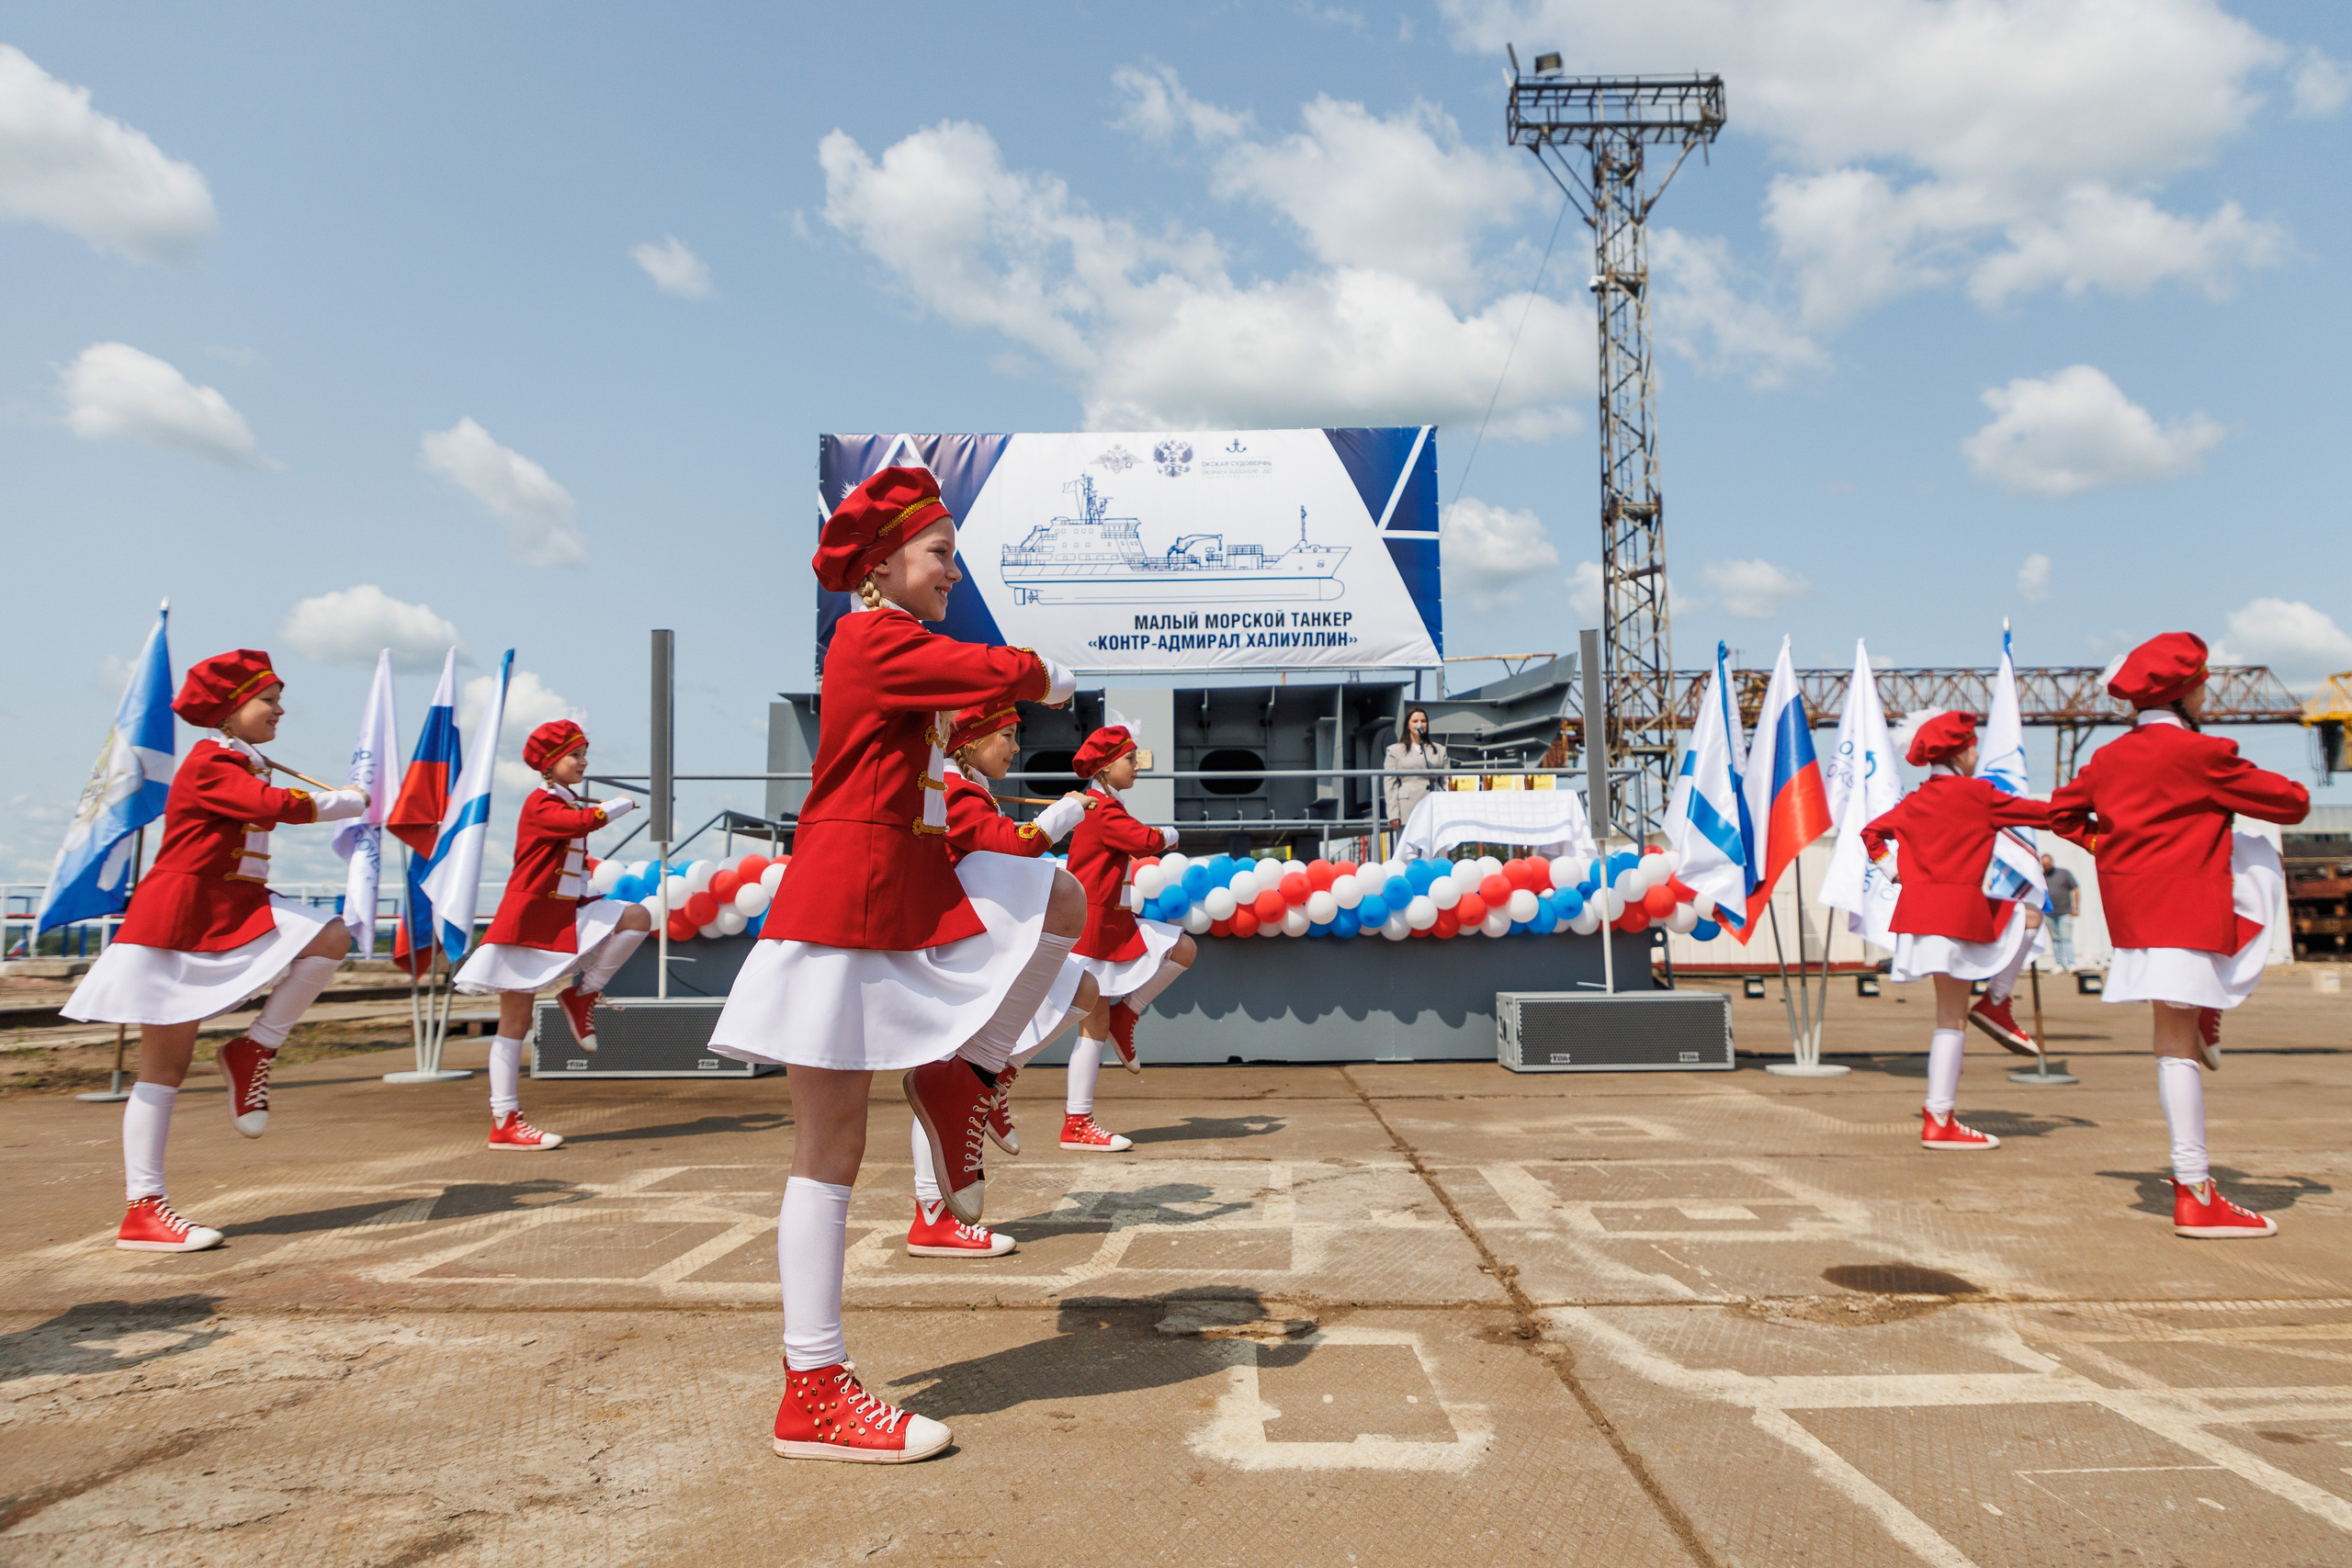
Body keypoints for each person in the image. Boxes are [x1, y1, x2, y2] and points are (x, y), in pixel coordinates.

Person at [706, 465, 1076, 1461]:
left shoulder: (889, 645)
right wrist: (1040, 675)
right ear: (880, 564)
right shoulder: (873, 638)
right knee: (826, 1159)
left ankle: (967, 1076)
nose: (953, 571)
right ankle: (814, 1388)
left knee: (1060, 898)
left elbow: (958, 727)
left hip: (894, 902)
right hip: (846, 910)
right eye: (940, 554)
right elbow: (987, 676)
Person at [61, 649, 369, 1251]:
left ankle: (254, 1048)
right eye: (269, 700)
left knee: (331, 935)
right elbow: (270, 808)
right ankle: (144, 1209)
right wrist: (345, 800)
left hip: (233, 907)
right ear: (231, 710)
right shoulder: (211, 761)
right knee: (164, 1070)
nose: (282, 710)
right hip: (180, 918)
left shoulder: (243, 760)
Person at [2048, 632, 2308, 1239]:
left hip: (2135, 914)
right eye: (2203, 685)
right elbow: (2292, 803)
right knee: (2257, 855)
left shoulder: (2108, 759)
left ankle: (2196, 1178)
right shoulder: (2204, 753)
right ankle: (2195, 1191)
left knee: (2170, 1041)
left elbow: (2062, 814)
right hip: (2191, 912)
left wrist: (2107, 845)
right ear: (2187, 691)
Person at [905, 700, 1100, 1258]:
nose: (1016, 748)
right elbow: (1017, 843)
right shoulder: (949, 787)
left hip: (982, 940)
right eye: (1008, 735)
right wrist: (1063, 811)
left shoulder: (965, 785)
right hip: (958, 948)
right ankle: (934, 1218)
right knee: (945, 1072)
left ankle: (989, 1082)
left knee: (1082, 993)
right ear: (968, 742)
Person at [451, 719, 649, 1151]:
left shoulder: (563, 801)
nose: (584, 762)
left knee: (636, 916)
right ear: (549, 763)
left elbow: (569, 848)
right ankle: (504, 1120)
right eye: (575, 755)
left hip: (562, 913)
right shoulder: (541, 803)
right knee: (515, 1021)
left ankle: (583, 995)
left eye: (583, 753)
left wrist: (597, 869)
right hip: (529, 920)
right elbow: (580, 824)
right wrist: (616, 805)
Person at [1860, 711, 2052, 1151]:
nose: (1977, 753)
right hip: (1959, 915)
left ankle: (1942, 1112)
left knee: (1948, 1018)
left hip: (1918, 918)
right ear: (1963, 752)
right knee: (2030, 914)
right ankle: (1996, 1004)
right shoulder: (1978, 794)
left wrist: (1893, 871)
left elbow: (1870, 832)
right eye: (1973, 745)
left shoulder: (1915, 800)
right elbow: (2041, 814)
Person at [1066, 724, 1194, 1150]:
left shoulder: (1104, 805)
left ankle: (1128, 1014)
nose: (1136, 766)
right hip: (1093, 930)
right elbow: (1146, 841)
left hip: (1110, 924)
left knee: (1182, 948)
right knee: (1076, 1027)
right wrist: (1172, 835)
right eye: (1129, 759)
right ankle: (1074, 1122)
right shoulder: (1102, 809)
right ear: (1104, 768)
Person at [1384, 706, 1447, 835]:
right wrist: (1393, 813)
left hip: (1435, 808)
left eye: (1423, 721)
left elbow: (1446, 780)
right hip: (1408, 808)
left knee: (1434, 851)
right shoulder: (1395, 751)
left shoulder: (1439, 750)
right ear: (1407, 725)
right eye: (1415, 721)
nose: (1420, 724)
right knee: (1410, 852)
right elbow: (1390, 784)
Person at [2040, 852, 2080, 969]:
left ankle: (2071, 963)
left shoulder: (2064, 874)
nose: (2046, 866)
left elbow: (2076, 889)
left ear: (2052, 862)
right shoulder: (2040, 876)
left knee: (2066, 938)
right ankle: (2059, 963)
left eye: (2047, 863)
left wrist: (2076, 907)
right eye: (2044, 864)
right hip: (2048, 913)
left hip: (2065, 912)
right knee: (2055, 939)